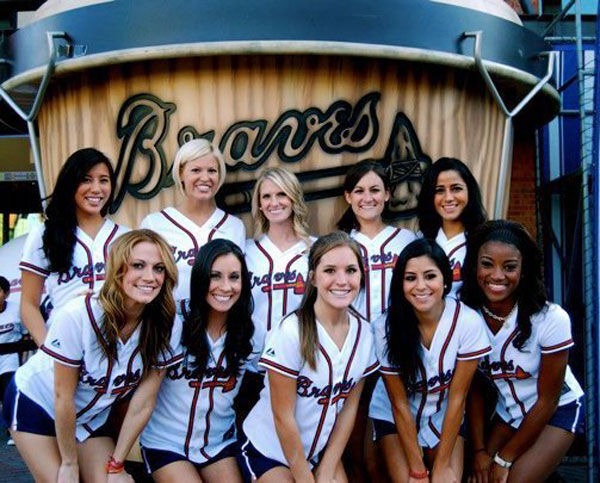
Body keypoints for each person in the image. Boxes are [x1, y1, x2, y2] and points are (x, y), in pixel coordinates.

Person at [3, 230, 183, 482]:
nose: (150, 277)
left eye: (159, 268)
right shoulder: (79, 314)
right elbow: (62, 395)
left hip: (89, 416)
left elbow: (143, 401)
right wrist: (69, 462)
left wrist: (117, 464)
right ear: (118, 269)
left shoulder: (168, 323)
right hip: (38, 403)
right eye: (138, 266)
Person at [240, 232, 379, 482]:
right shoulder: (290, 331)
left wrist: (327, 468)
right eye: (329, 271)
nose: (342, 280)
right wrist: (306, 478)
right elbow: (283, 416)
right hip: (270, 451)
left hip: (318, 451)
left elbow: (349, 409)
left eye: (351, 270)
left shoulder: (365, 333)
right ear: (313, 278)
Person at [461, 220, 584, 483]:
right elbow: (474, 389)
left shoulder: (550, 318)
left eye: (509, 267)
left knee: (513, 479)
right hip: (511, 413)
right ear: (474, 266)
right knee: (477, 478)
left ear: (524, 270)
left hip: (557, 409)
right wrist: (480, 451)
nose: (496, 275)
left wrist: (504, 458)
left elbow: (548, 400)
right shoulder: (467, 315)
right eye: (487, 264)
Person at [369, 239, 491, 483]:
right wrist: (418, 470)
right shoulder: (385, 326)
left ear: (445, 280)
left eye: (430, 276)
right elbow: (398, 403)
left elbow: (458, 398)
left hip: (444, 413)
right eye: (410, 278)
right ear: (400, 284)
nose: (420, 286)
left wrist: (441, 466)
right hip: (396, 416)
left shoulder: (467, 321)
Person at [138, 239, 257, 482]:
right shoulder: (174, 323)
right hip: (165, 442)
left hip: (218, 442)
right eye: (215, 276)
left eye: (234, 277)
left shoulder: (253, 333)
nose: (226, 287)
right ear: (200, 278)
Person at [19, 148, 129, 347]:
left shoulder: (126, 237)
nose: (96, 189)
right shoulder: (45, 234)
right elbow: (28, 305)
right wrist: (48, 349)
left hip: (117, 344)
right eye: (86, 179)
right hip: (65, 341)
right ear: (70, 184)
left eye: (104, 180)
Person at [141, 139, 246, 307]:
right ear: (181, 173)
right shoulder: (154, 224)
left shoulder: (234, 227)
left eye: (212, 170)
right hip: (168, 325)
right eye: (196, 170)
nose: (205, 178)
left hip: (217, 326)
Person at [337, 160, 416, 322]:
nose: (367, 198)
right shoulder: (338, 244)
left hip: (399, 332)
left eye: (375, 190)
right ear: (348, 196)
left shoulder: (407, 240)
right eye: (359, 191)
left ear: (386, 194)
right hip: (353, 334)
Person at [246, 166, 313, 344]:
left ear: (293, 198)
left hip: (302, 356)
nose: (274, 203)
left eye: (282, 194)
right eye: (266, 196)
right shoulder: (246, 252)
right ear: (259, 204)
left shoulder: (316, 250)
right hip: (253, 360)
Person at [417, 157, 486, 296]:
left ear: (469, 192)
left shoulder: (485, 241)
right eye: (439, 190)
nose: (448, 197)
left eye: (456, 189)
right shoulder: (419, 239)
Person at [0, 276, 25, 414]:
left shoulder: (17, 310)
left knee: (9, 393)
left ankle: (12, 431)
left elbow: (26, 333)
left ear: (7, 293)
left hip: (10, 358)